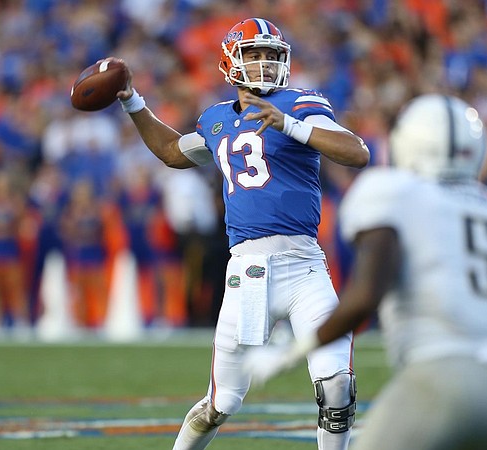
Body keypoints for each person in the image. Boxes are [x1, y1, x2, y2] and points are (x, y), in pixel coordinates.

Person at [245, 94, 487, 450]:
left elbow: (365, 296)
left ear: (407, 144)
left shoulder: (391, 192)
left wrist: (291, 352)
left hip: (434, 380)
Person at [115, 17, 369, 450]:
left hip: (305, 267)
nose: (267, 63)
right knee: (220, 403)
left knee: (337, 390)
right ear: (231, 60)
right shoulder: (217, 121)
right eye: (256, 54)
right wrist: (133, 101)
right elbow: (174, 153)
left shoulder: (301, 103)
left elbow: (356, 152)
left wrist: (289, 124)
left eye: (273, 55)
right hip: (247, 272)